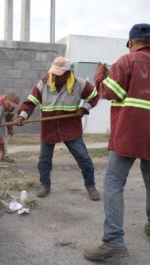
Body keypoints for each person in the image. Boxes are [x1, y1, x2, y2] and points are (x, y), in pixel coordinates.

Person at [83, 23, 150, 261]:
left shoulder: (127, 62)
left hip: (128, 135)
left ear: (130, 43)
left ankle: (114, 242)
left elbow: (108, 93)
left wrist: (99, 76)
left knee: (114, 184)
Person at [16, 56, 100, 201]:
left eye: (57, 75)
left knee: (84, 159)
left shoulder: (80, 84)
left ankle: (91, 186)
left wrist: (84, 109)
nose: (53, 77)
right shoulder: (43, 83)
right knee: (44, 160)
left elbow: (94, 96)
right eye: (52, 73)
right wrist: (22, 116)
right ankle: (45, 185)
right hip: (49, 128)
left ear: (68, 74)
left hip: (70, 127)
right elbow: (30, 102)